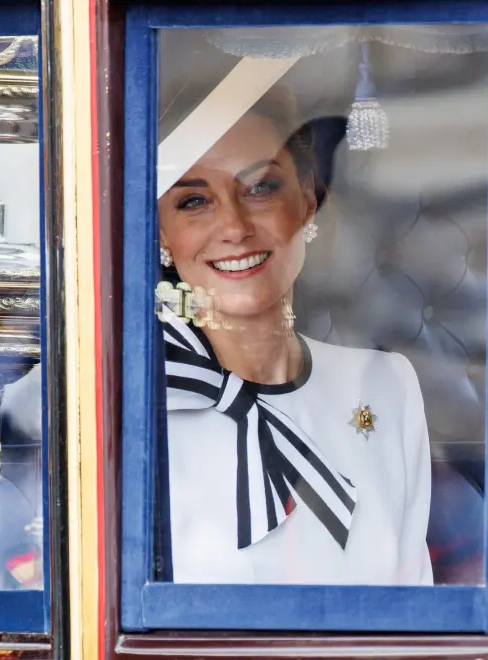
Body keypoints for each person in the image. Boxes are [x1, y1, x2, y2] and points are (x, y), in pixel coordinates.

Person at [157, 84, 433, 585]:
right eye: (195, 200)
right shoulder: (127, 404)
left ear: (307, 201)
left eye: (260, 187)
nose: (234, 226)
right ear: (161, 233)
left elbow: (415, 602)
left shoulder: (386, 386)